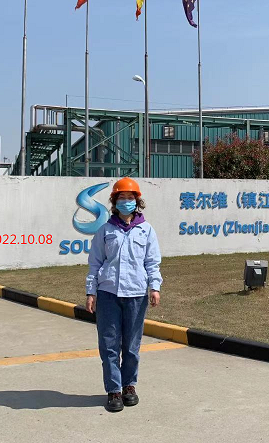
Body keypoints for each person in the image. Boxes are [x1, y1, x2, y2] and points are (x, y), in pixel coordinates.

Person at [85, 177, 162, 413]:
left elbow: (152, 262)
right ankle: (114, 390)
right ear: (114, 202)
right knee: (109, 345)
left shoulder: (146, 230)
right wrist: (91, 292)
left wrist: (154, 287)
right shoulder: (105, 230)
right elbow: (95, 263)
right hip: (108, 293)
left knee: (131, 345)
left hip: (136, 294)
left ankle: (129, 386)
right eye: (122, 197)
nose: (126, 201)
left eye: (130, 198)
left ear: (137, 202)